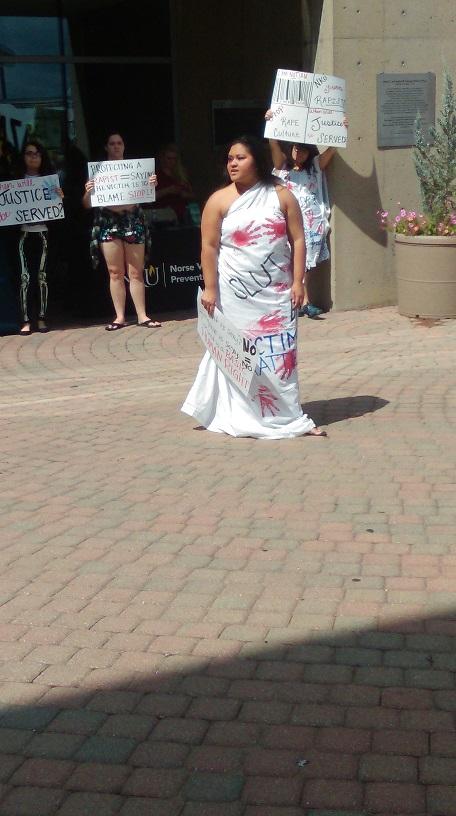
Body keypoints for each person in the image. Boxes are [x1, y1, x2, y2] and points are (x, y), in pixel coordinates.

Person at [181, 135, 326, 439]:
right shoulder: (218, 200)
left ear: (256, 161)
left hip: (276, 294)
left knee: (280, 355)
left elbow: (298, 240)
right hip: (236, 295)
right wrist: (210, 288)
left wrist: (299, 282)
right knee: (240, 353)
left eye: (240, 158)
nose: (232, 163)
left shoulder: (282, 194)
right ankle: (243, 414)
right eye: (230, 158)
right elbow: (208, 247)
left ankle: (287, 415)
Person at [265, 111, 343, 317]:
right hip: (289, 220)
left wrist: (341, 129)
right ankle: (300, 300)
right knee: (289, 257)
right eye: (296, 149)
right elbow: (273, 144)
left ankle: (301, 300)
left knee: (305, 260)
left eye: (303, 151)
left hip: (311, 223)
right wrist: (272, 122)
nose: (298, 154)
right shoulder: (282, 167)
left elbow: (332, 150)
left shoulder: (315, 168)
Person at [83, 131, 160, 331]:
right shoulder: (98, 171)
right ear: (106, 147)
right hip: (108, 222)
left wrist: (151, 185)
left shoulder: (137, 170)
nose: (116, 146)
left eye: (119, 143)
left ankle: (142, 315)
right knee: (115, 272)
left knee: (136, 271)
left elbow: (149, 195)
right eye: (112, 143)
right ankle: (119, 317)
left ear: (124, 146)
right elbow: (86, 204)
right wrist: (88, 192)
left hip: (132, 219)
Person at [15, 140, 64, 335]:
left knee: (42, 277)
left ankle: (42, 317)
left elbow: (57, 212)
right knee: (24, 278)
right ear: (23, 156)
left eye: (37, 153)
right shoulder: (15, 180)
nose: (33, 157)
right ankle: (26, 320)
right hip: (22, 235)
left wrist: (60, 197)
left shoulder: (49, 180)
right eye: (29, 153)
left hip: (43, 234)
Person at [154, 143, 195, 224]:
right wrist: (168, 191)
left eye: (174, 159)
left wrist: (183, 194)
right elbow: (150, 197)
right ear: (163, 158)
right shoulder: (156, 175)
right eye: (169, 158)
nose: (172, 161)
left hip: (182, 214)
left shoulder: (181, 175)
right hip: (163, 216)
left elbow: (193, 195)